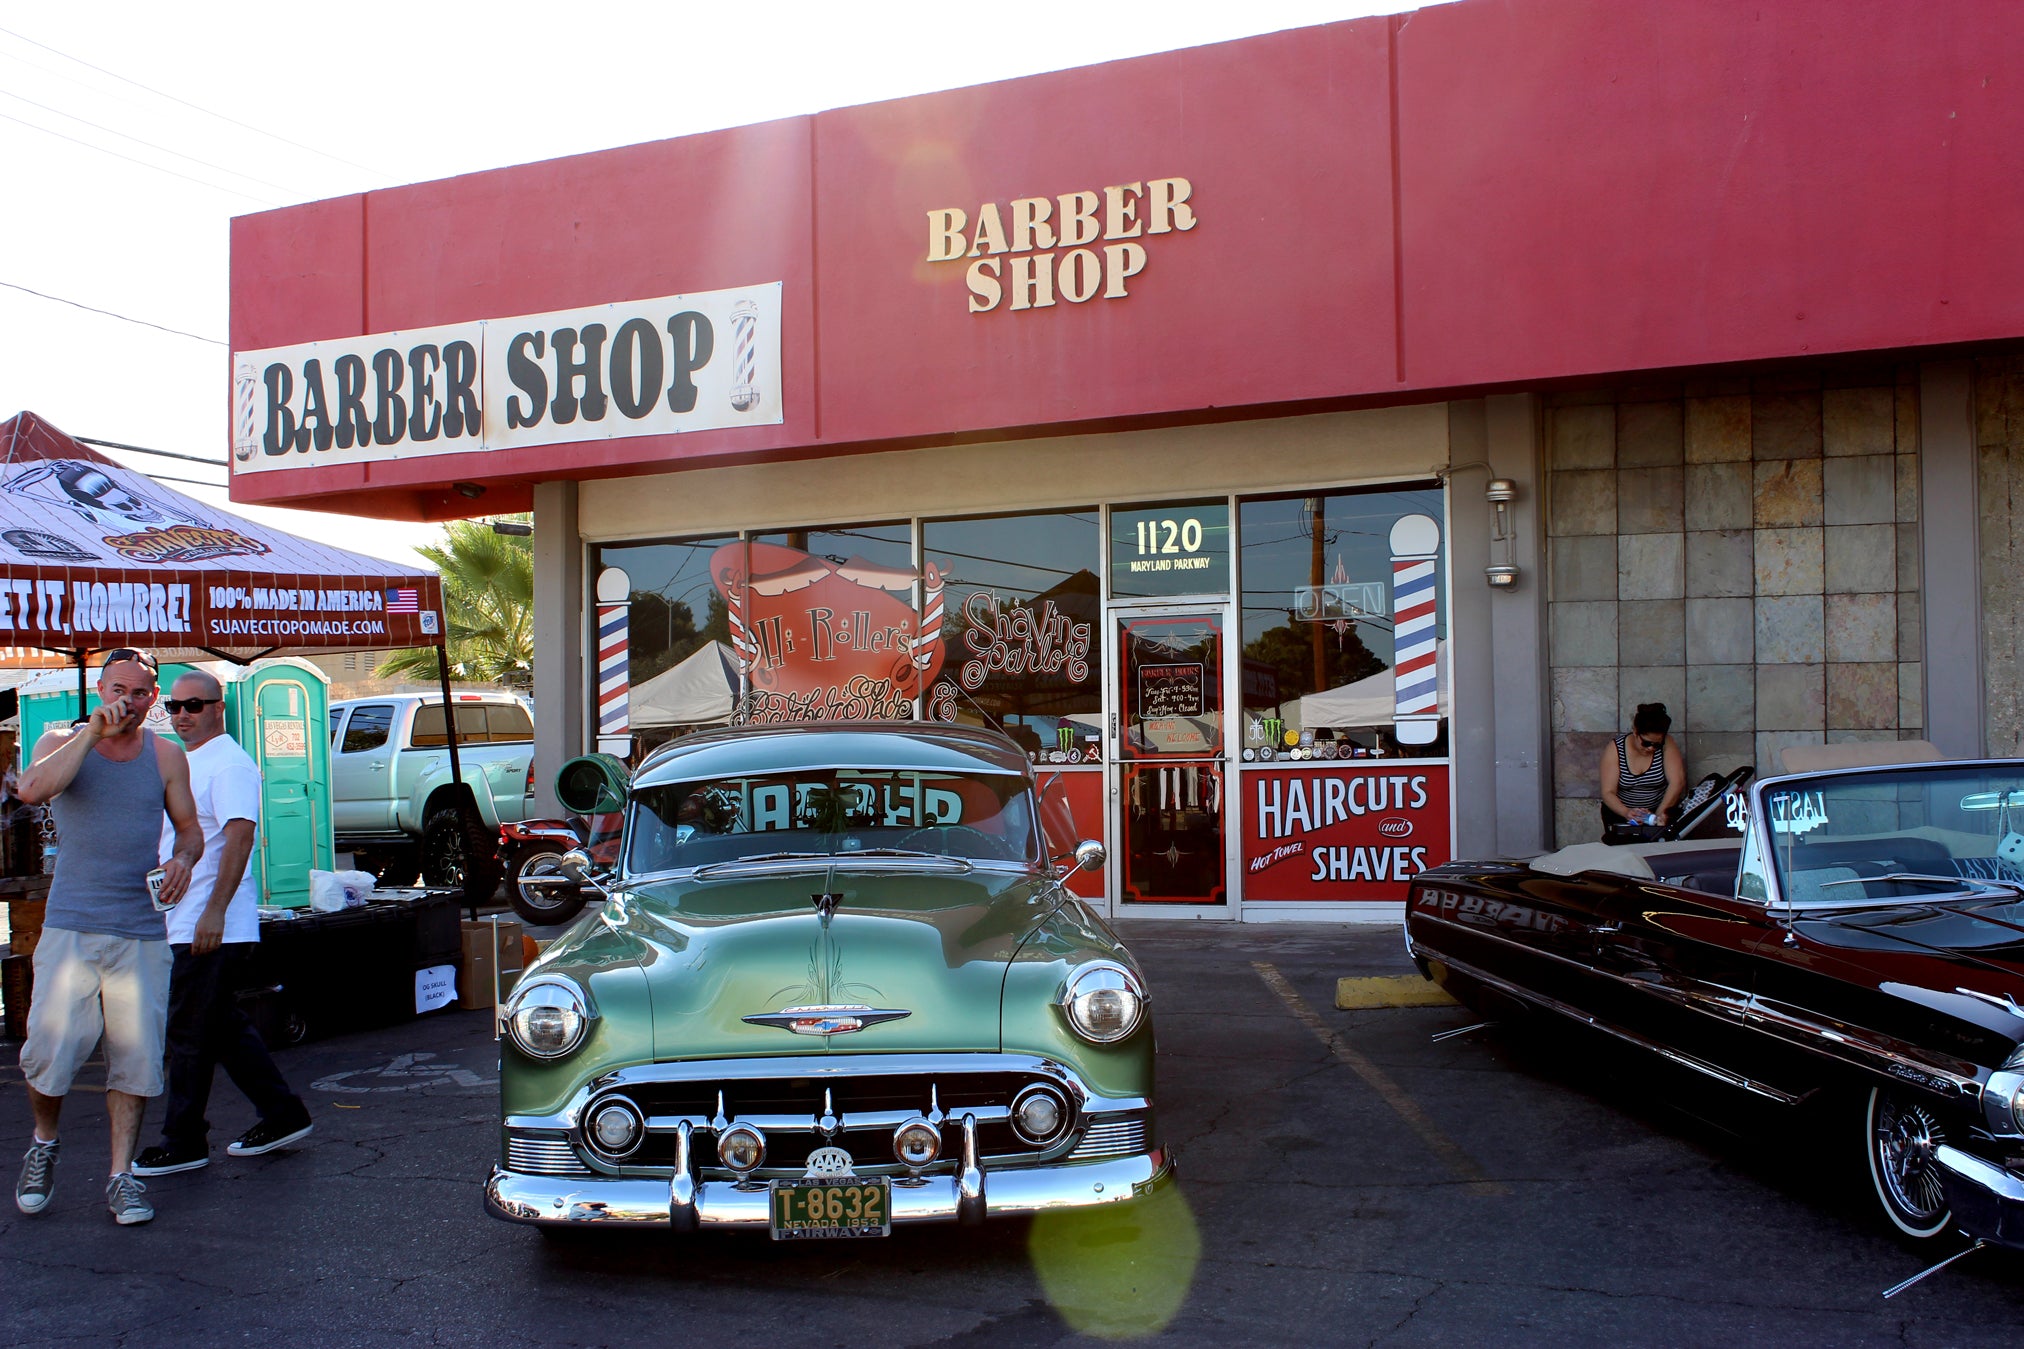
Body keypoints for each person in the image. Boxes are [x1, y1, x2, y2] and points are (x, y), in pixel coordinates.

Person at [13, 648, 201, 1226]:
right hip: (72, 923)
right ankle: (45, 1142)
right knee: (49, 1054)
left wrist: (184, 860)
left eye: (142, 692)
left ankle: (121, 1175)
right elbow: (31, 791)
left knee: (137, 1059)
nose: (131, 701)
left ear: (153, 697)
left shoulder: (167, 756)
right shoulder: (60, 745)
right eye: (120, 689)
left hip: (140, 930)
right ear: (99, 691)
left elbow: (190, 828)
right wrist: (92, 735)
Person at [132, 671, 313, 1181]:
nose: (183, 713)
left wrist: (214, 911)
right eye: (175, 705)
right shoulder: (187, 761)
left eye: (194, 704)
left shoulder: (230, 764)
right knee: (220, 1027)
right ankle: (283, 1114)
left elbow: (239, 838)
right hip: (187, 918)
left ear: (219, 708)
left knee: (189, 1032)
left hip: (211, 922)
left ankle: (183, 1139)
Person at [1599, 702, 1686, 830]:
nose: (1651, 748)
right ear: (1635, 731)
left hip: (1658, 811)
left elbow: (1677, 782)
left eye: (1656, 745)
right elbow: (1608, 792)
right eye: (1645, 743)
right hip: (1621, 813)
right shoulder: (1616, 748)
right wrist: (1627, 812)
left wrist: (1657, 817)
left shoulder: (1668, 743)